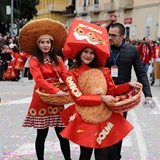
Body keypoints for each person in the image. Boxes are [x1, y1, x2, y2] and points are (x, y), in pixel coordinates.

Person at [60, 18, 142, 160]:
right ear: (80, 53)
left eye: (92, 53)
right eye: (85, 51)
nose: (88, 55)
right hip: (85, 117)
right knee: (85, 154)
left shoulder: (104, 71)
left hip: (104, 115)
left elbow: (111, 90)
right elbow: (78, 98)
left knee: (103, 154)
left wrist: (128, 85)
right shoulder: (71, 74)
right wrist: (100, 98)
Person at [18, 18, 72, 160]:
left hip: (58, 99)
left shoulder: (58, 60)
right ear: (38, 44)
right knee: (41, 134)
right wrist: (56, 91)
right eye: (42, 42)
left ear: (52, 44)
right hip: (42, 98)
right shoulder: (35, 60)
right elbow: (39, 80)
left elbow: (65, 75)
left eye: (48, 42)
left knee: (62, 133)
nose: (45, 45)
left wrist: (72, 86)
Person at [105, 22, 153, 160]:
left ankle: (115, 157)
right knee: (105, 128)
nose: (110, 38)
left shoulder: (132, 50)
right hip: (105, 95)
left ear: (122, 37)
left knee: (118, 129)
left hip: (123, 98)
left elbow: (141, 73)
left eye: (113, 36)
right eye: (109, 35)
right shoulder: (104, 49)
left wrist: (148, 95)